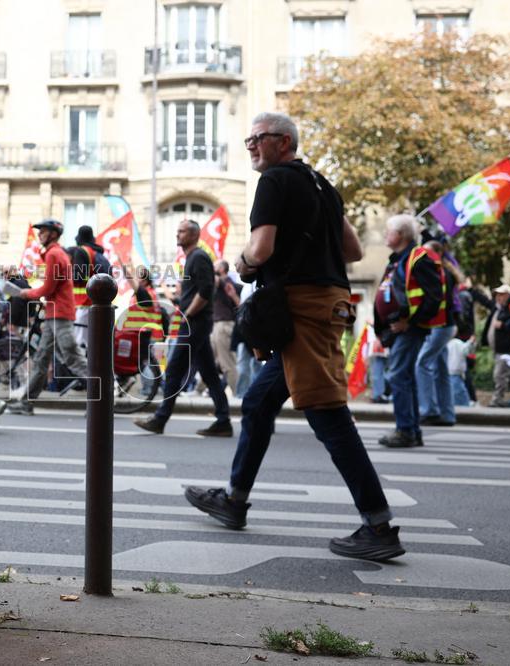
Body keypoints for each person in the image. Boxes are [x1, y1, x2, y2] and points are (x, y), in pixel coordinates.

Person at [184, 112, 405, 562]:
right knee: (260, 402)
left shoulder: (275, 181)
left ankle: (378, 525)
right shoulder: (322, 184)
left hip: (301, 309)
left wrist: (245, 263)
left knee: (328, 414)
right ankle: (234, 500)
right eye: (247, 139)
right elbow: (353, 251)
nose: (250, 146)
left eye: (257, 139)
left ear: (283, 141)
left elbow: (260, 250)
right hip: (326, 304)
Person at [133, 220, 232, 437]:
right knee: (209, 373)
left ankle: (160, 419)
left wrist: (188, 314)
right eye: (177, 230)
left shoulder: (198, 257)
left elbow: (206, 291)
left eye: (182, 231)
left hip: (195, 323)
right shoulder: (192, 258)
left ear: (194, 235)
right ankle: (224, 420)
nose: (177, 234)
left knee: (175, 369)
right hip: (195, 323)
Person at [374, 215, 446, 447]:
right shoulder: (399, 259)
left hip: (410, 328)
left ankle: (405, 430)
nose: (385, 235)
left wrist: (411, 323)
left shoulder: (418, 259)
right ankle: (411, 431)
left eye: (388, 231)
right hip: (399, 328)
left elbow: (434, 296)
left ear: (401, 235)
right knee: (404, 376)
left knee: (397, 375)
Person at [8, 219, 88, 416]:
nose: (39, 235)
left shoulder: (54, 254)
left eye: (43, 232)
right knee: (42, 358)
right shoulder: (55, 253)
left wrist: (25, 293)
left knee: (72, 357)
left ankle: (104, 397)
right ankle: (27, 403)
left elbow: (48, 287)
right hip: (55, 313)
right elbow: (53, 289)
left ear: (53, 234)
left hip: (60, 314)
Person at [415, 239, 456, 426]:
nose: (424, 256)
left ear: (437, 254)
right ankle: (447, 414)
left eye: (427, 253)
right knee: (440, 368)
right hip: (445, 325)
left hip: (440, 326)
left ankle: (429, 410)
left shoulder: (439, 272)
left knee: (422, 363)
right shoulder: (445, 271)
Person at [67, 225, 112, 347]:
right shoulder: (102, 256)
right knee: (93, 347)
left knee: (80, 346)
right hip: (99, 307)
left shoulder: (82, 252)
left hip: (83, 305)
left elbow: (79, 276)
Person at [211, 260, 241, 393]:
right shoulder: (232, 285)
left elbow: (216, 280)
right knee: (211, 361)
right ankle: (201, 389)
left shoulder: (224, 282)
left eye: (215, 265)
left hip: (223, 326)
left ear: (222, 269)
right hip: (220, 326)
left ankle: (238, 394)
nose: (212, 267)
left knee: (227, 364)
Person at [486, 284, 510, 407]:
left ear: (508, 296)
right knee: (508, 376)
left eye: (502, 294)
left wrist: (503, 325)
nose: (498, 297)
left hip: (507, 349)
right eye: (497, 294)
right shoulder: (499, 309)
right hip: (498, 349)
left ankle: (497, 400)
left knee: (499, 375)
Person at [233, 280, 261, 398]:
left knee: (256, 365)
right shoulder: (247, 287)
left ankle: (254, 394)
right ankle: (242, 394)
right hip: (246, 331)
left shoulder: (257, 284)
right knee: (245, 365)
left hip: (255, 330)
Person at [364, 323, 389, 403]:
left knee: (378, 372)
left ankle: (379, 394)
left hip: (382, 342)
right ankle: (379, 394)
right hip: (381, 344)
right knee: (377, 371)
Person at [446, 336, 472, 408]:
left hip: (451, 372)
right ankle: (463, 406)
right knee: (459, 392)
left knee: (456, 392)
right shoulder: (456, 342)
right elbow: (465, 350)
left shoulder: (446, 343)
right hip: (455, 373)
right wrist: (470, 342)